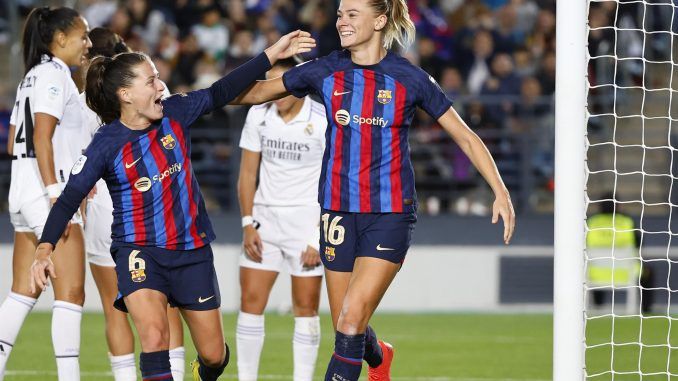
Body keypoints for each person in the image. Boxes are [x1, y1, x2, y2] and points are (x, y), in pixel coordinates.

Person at [231, 0, 516, 380]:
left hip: (389, 214)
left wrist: (500, 190)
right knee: (347, 327)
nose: (341, 22)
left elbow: (464, 135)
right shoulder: (325, 70)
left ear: (379, 20)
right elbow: (248, 94)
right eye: (339, 14)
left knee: (349, 321)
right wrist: (266, 57)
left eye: (351, 14)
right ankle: (380, 357)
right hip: (336, 212)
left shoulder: (408, 78)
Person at [29, 31, 315, 381]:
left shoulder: (175, 112)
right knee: (153, 336)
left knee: (213, 354)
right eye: (151, 80)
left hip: (191, 250)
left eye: (158, 78)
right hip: (139, 250)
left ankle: (206, 370)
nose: (160, 86)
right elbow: (69, 198)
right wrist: (44, 248)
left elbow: (223, 90)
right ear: (126, 94)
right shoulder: (105, 144)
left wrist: (269, 54)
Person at [80, 27, 185, 381]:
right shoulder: (153, 90)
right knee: (167, 306)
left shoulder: (85, 97)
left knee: (115, 309)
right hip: (152, 207)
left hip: (101, 210)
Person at [0, 7, 91, 381]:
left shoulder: (29, 78)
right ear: (59, 40)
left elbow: (11, 142)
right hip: (46, 193)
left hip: (20, 191)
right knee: (71, 294)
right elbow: (41, 136)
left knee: (22, 292)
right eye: (82, 36)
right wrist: (57, 193)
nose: (87, 43)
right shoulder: (55, 75)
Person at [236, 58, 327, 381]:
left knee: (305, 307)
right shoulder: (257, 114)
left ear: (299, 84)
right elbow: (247, 174)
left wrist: (318, 237)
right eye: (269, 84)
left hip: (306, 226)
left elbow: (334, 181)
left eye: (282, 85)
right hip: (264, 223)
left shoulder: (322, 117)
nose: (274, 92)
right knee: (250, 302)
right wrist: (248, 222)